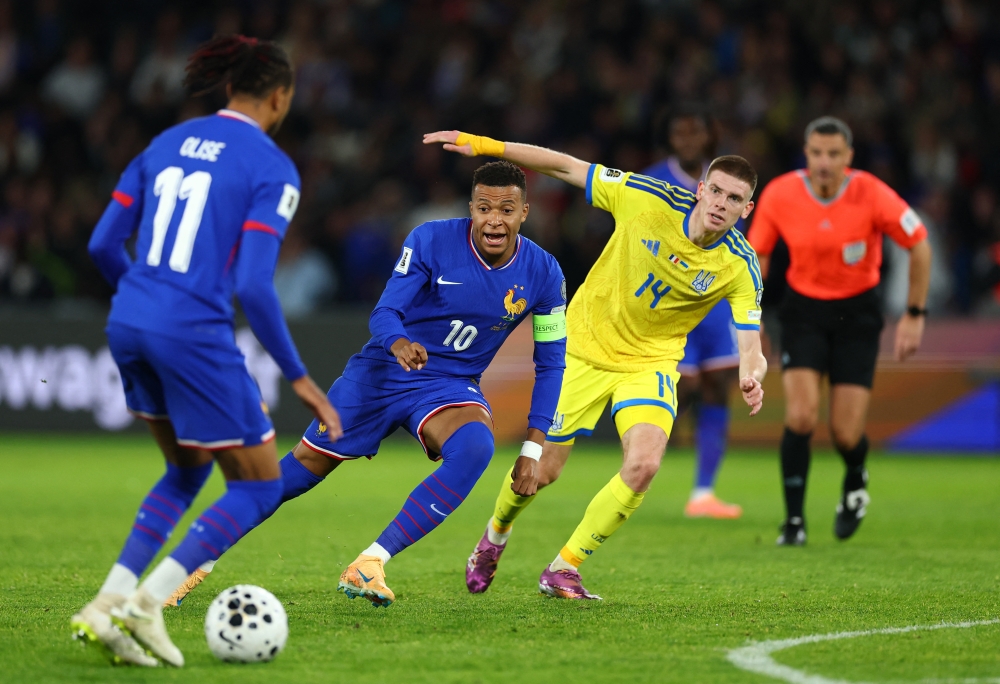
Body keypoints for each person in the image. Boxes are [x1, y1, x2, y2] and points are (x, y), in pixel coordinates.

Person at [167, 160, 567, 609]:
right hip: (382, 372)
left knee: (476, 447)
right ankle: (194, 559)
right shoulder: (431, 239)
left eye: (507, 209)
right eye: (484, 207)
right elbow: (384, 312)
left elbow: (551, 364)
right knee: (300, 470)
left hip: (450, 385)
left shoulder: (545, 273)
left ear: (525, 213)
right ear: (470, 208)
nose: (495, 219)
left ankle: (370, 562)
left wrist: (533, 448)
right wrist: (397, 342)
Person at [71, 36, 341, 668]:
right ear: (280, 96)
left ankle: (106, 604)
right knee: (259, 484)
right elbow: (251, 283)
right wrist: (298, 376)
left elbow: (102, 244)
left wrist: (145, 299)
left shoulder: (162, 144)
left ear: (227, 88)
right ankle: (147, 604)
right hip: (191, 330)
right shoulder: (272, 167)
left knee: (188, 469)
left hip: (128, 319)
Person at [424, 130, 767, 600]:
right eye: (718, 191)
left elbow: (750, 337)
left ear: (746, 209)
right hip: (582, 350)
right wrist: (486, 145)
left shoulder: (739, 263)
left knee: (644, 465)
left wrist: (753, 373)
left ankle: (564, 567)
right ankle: (494, 537)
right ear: (701, 189)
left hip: (650, 363)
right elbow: (565, 164)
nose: (723, 204)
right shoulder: (646, 197)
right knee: (540, 473)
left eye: (736, 199)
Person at [747, 116, 931, 546]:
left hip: (857, 316)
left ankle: (855, 475)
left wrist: (915, 313)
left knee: (845, 433)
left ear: (848, 157)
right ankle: (793, 523)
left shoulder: (870, 191)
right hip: (804, 312)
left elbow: (918, 243)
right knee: (801, 416)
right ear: (805, 154)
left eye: (833, 154)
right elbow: (757, 255)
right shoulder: (780, 193)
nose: (824, 162)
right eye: (816, 153)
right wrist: (751, 323)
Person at [643, 107, 743, 519]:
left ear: (708, 136)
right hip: (673, 304)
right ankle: (636, 472)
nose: (687, 139)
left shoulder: (726, 179)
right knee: (679, 392)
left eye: (695, 131)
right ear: (670, 138)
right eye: (679, 132)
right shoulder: (653, 180)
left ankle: (703, 492)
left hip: (716, 303)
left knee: (719, 386)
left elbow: (741, 245)